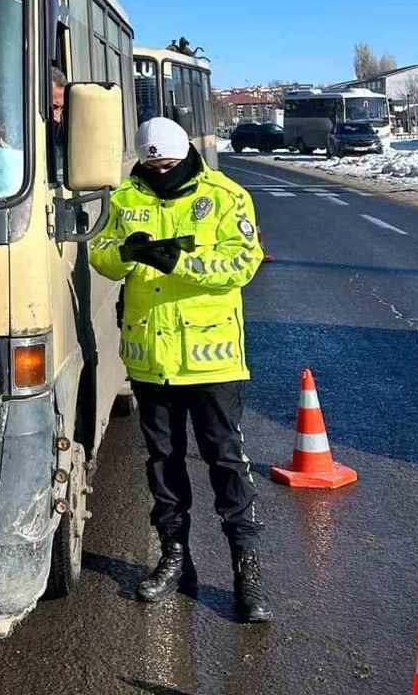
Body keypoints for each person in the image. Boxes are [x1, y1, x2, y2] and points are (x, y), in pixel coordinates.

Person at [89, 117, 272, 623]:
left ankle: (246, 568)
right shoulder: (124, 198)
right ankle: (174, 557)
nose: (160, 171)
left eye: (168, 164)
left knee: (226, 462)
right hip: (151, 359)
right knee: (162, 461)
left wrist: (180, 264)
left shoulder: (226, 195)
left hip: (211, 361)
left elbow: (244, 262)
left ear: (185, 155)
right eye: (152, 165)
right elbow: (98, 254)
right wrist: (126, 254)